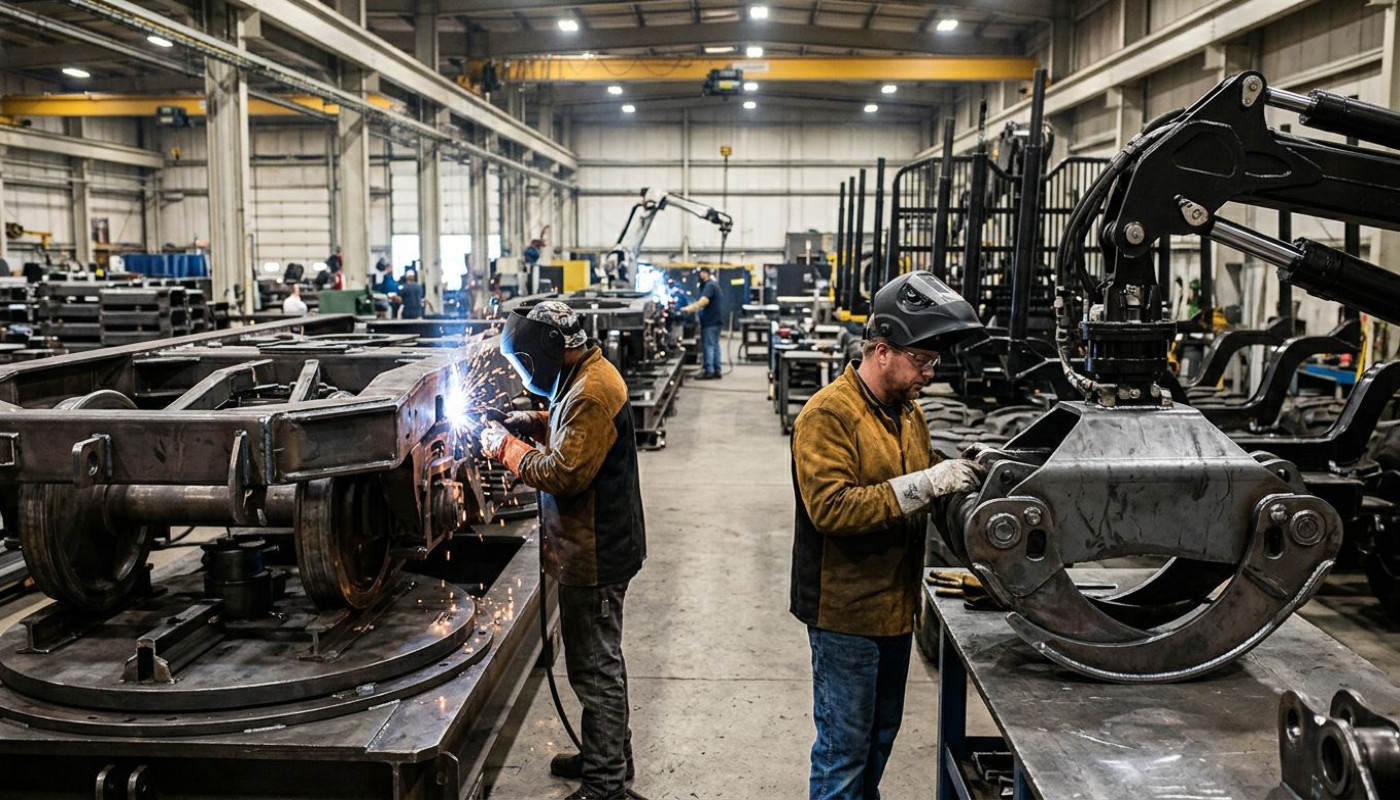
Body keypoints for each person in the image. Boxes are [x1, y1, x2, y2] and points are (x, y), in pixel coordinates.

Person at [790, 271, 987, 800]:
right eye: (920, 362)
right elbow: (831, 508)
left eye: (932, 363)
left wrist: (965, 468)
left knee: (878, 740)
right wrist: (925, 483)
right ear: (882, 351)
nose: (927, 373)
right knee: (843, 753)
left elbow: (924, 469)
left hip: (896, 611)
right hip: (845, 615)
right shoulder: (829, 415)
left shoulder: (908, 413)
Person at [479, 301, 646, 800]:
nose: (522, 374)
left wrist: (504, 447)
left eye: (522, 366)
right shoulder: (585, 374)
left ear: (545, 355)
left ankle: (605, 784)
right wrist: (527, 420)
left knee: (595, 670)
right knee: (600, 663)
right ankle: (609, 754)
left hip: (597, 553)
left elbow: (562, 473)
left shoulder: (593, 392)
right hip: (595, 546)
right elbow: (568, 425)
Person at [681, 267, 723, 379]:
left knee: (709, 346)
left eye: (702, 273)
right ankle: (716, 370)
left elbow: (703, 301)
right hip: (715, 321)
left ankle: (709, 371)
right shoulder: (714, 285)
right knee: (714, 345)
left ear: (707, 273)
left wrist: (688, 309)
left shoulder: (710, 285)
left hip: (710, 321)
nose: (700, 275)